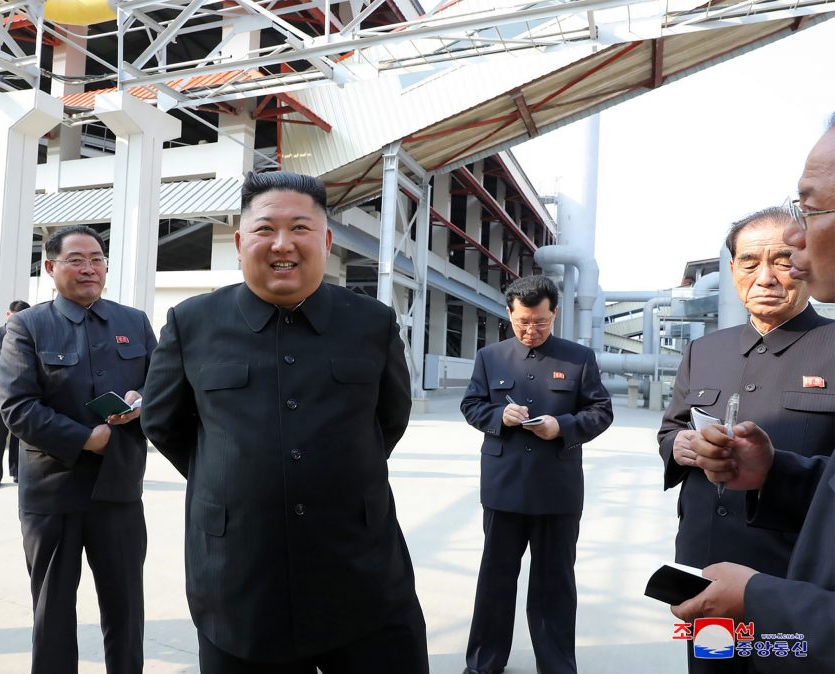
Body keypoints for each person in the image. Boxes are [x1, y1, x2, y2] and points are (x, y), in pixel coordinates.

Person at [141, 171, 428, 674]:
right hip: (240, 581)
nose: (282, 244)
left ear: (327, 240)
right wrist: (232, 477)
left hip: (361, 574)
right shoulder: (192, 323)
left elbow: (389, 419)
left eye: (300, 228)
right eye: (265, 229)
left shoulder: (372, 324)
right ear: (238, 241)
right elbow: (164, 423)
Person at [673, 119, 835, 673]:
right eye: (749, 262)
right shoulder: (705, 350)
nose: (766, 275)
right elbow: (671, 427)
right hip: (707, 566)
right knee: (713, 664)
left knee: (773, 667)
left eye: (781, 260)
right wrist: (682, 447)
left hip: (791, 585)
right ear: (733, 270)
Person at [0, 225, 156, 674]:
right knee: (53, 610)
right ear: (51, 268)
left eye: (97, 258)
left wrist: (142, 401)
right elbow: (17, 407)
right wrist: (86, 438)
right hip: (53, 492)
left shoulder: (133, 321)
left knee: (126, 608)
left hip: (120, 489)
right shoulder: (28, 326)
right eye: (76, 259)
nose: (89, 268)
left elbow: (162, 383)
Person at [460, 274, 613, 674]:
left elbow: (601, 412)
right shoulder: (490, 357)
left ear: (554, 314)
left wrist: (561, 427)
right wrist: (499, 415)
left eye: (541, 322)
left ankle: (557, 664)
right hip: (503, 486)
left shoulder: (579, 358)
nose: (531, 330)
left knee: (554, 583)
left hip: (556, 490)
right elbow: (471, 404)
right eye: (523, 322)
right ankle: (483, 664)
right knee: (495, 580)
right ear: (509, 313)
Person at [0, 299, 31, 488]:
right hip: (2, 394)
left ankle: (16, 471)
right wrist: (5, 350)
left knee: (19, 436)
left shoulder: (29, 334)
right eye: (16, 317)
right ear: (8, 315)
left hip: (24, 393)